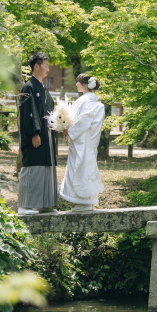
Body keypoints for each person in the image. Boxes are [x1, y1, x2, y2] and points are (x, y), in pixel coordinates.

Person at [17, 52, 57, 215]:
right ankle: (24, 205)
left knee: (45, 167)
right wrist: (34, 133)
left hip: (46, 136)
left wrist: (53, 133)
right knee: (32, 166)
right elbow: (29, 112)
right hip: (36, 135)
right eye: (46, 66)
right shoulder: (29, 87)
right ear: (36, 66)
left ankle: (43, 204)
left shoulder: (43, 88)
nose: (48, 69)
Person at [58, 74, 106, 211]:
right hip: (86, 142)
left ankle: (84, 202)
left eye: (78, 82)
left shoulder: (88, 102)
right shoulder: (92, 102)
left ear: (85, 85)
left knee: (82, 170)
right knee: (84, 170)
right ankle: (85, 202)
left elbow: (83, 121)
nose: (76, 84)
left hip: (84, 142)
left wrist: (68, 130)